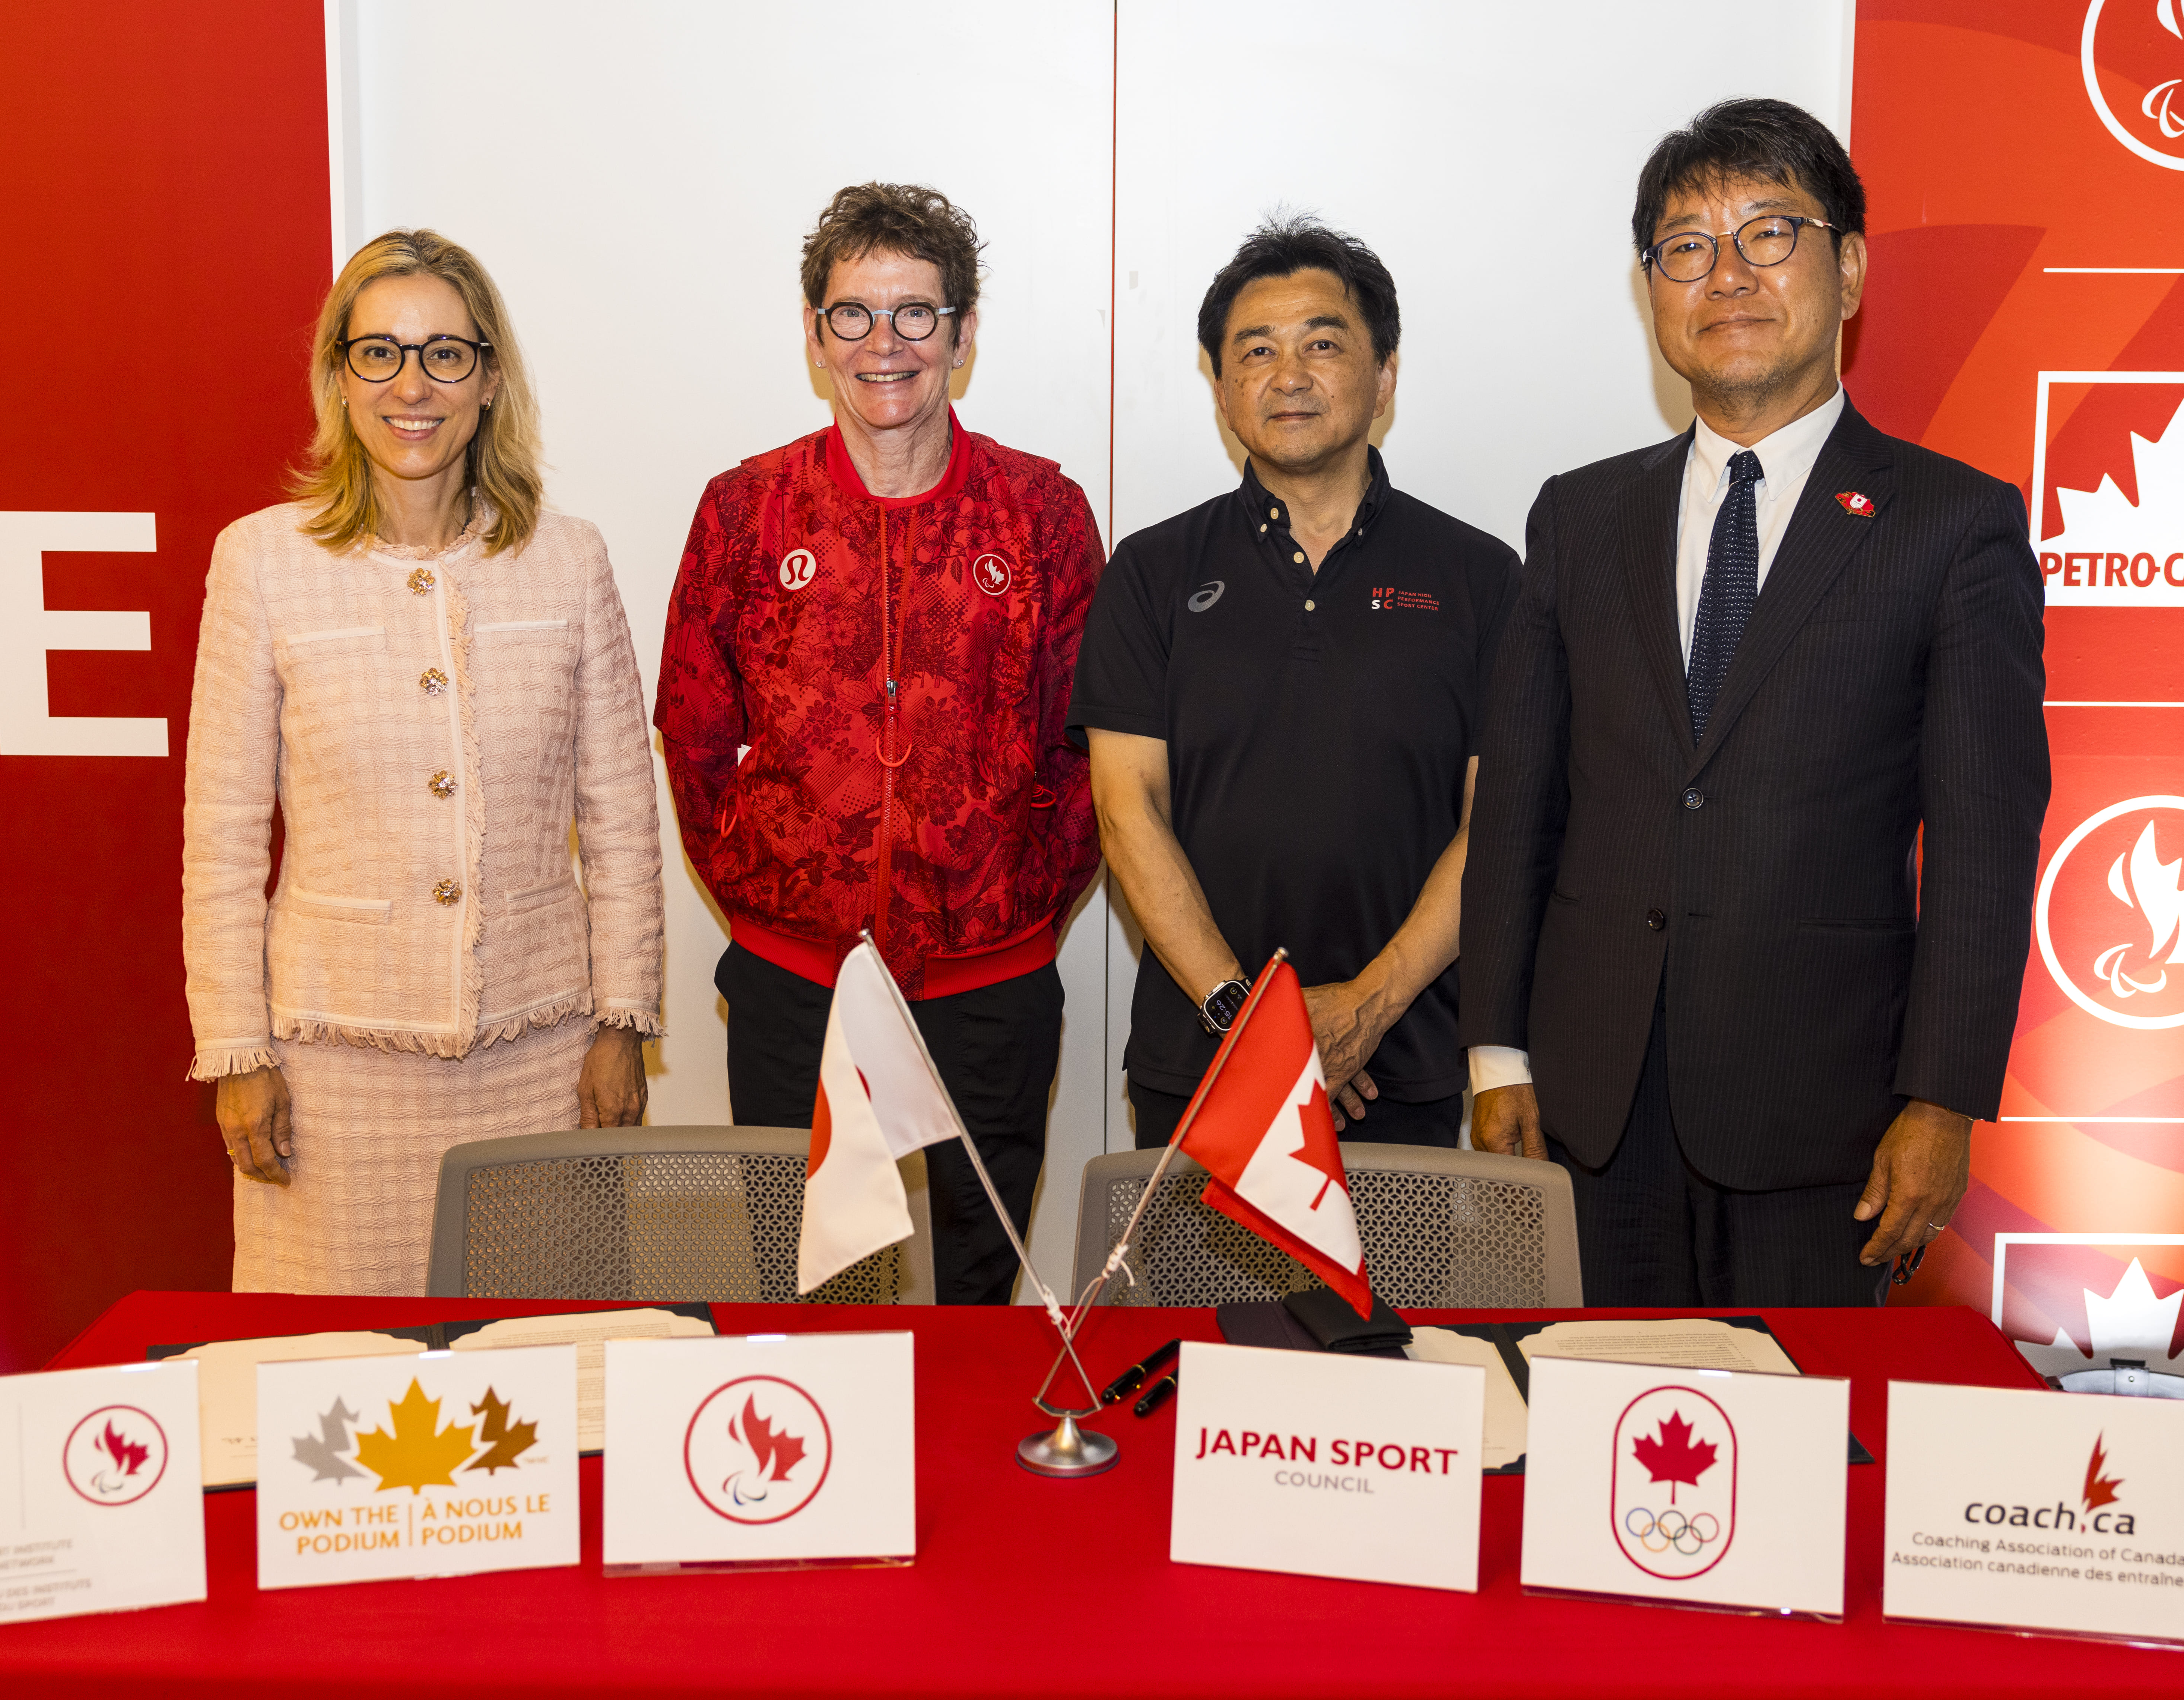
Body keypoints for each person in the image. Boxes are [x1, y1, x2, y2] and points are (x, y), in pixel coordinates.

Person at [1461, 99, 2050, 1305]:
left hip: (1823, 1116)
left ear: (1849, 271)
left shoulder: (1953, 528)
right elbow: (1521, 803)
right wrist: (1496, 1050)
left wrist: (1941, 1102)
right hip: (1590, 1102)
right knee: (1592, 1434)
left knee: (1793, 1454)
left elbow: (1984, 845)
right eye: (1686, 245)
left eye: (1769, 232)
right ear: (1651, 291)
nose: (1725, 274)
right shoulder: (1578, 518)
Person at [184, 229, 666, 1295]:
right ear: (339, 378)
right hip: (328, 1070)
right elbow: (219, 836)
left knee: (538, 1377)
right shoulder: (262, 561)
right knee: (335, 1396)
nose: (414, 384)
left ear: (489, 380)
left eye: (446, 353)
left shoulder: (568, 557)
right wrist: (237, 1049)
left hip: (541, 1059)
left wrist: (623, 1021)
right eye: (380, 353)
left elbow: (624, 815)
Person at [655, 183, 1104, 1304]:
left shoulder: (1039, 511)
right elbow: (697, 729)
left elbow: (1088, 745)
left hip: (986, 986)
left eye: (917, 313)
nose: (885, 343)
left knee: (973, 1287)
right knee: (801, 1297)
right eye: (854, 313)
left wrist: (1018, 895)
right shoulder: (744, 510)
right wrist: (772, 897)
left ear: (961, 332)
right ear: (814, 335)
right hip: (793, 982)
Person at [1072, 217, 1519, 1148]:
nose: (1289, 374)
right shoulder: (1150, 572)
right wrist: (1248, 1020)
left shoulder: (1480, 576)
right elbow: (1126, 813)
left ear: (1384, 373)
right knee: (1197, 1302)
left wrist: (1369, 1004)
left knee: (1396, 1304)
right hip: (1202, 1059)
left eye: (1322, 342)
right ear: (1222, 387)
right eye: (1256, 350)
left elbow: (1499, 827)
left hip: (1403, 1063)